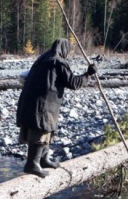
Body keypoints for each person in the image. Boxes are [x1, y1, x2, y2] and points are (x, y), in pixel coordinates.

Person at [16, 38, 98, 178]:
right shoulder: (58, 62)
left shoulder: (43, 59)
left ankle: (43, 159)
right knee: (41, 129)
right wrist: (88, 74)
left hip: (31, 101)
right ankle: (32, 165)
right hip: (42, 103)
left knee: (46, 128)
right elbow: (73, 83)